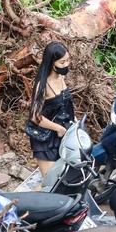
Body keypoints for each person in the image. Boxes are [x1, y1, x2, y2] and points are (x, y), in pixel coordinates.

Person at [27, 41, 75, 175]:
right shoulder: (41, 86)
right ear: (52, 63)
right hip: (45, 140)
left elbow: (65, 105)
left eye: (67, 60)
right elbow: (35, 117)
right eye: (62, 62)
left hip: (63, 134)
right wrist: (58, 128)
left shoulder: (61, 77)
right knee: (50, 182)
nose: (66, 64)